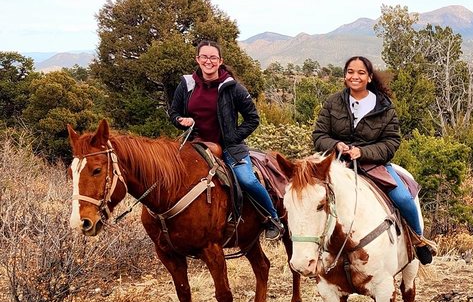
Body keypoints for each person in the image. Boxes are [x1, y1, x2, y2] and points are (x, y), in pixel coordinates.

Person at [312, 56, 433, 265]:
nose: (354, 76)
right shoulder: (333, 102)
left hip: (373, 164)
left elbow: (391, 142)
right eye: (350, 72)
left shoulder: (384, 107)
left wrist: (363, 152)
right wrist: (336, 145)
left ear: (369, 77)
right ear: (344, 76)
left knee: (404, 199)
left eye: (360, 72)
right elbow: (319, 135)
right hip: (337, 163)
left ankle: (417, 240)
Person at [169, 40, 283, 240]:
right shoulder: (187, 84)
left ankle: (273, 218)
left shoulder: (233, 87)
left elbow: (252, 119)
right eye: (204, 56)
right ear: (197, 59)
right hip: (195, 145)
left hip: (230, 148)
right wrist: (181, 120)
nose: (208, 61)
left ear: (220, 61)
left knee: (247, 180)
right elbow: (174, 112)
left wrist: (232, 137)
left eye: (213, 57)